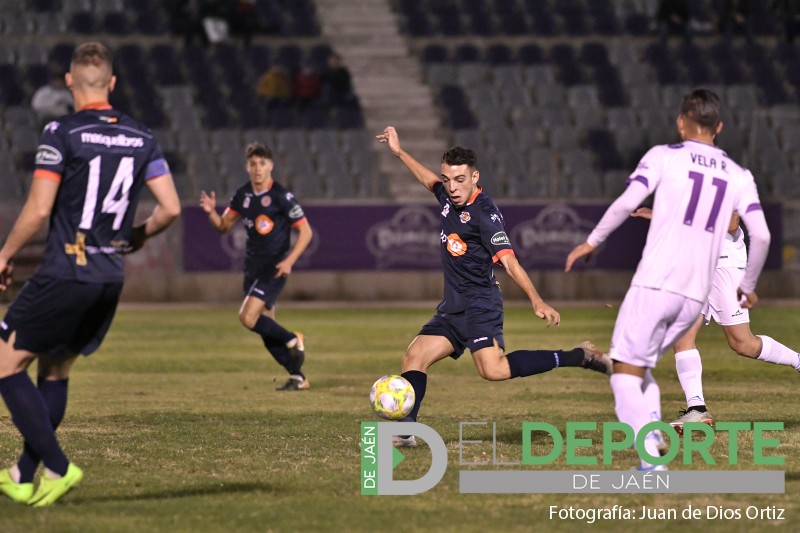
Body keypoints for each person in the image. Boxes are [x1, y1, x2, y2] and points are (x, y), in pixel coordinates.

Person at [0, 42, 181, 506]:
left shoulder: (61, 131)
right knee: (55, 370)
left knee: (3, 362)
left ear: (68, 82)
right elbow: (171, 209)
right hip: (109, 274)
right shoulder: (143, 136)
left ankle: (59, 467)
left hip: (65, 269)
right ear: (112, 84)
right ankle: (22, 473)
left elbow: (40, 208)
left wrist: (4, 255)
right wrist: (135, 238)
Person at [566, 88, 771, 471]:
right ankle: (682, 417)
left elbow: (627, 202)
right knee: (649, 360)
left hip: (659, 281)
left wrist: (592, 241)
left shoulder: (663, 156)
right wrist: (749, 284)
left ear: (681, 122)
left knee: (626, 371)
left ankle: (653, 453)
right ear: (719, 127)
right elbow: (761, 235)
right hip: (695, 290)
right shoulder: (738, 174)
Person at [377, 126, 612, 447]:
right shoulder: (447, 195)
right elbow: (427, 180)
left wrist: (537, 300)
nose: (452, 187)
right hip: (453, 306)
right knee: (413, 359)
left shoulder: (485, 216)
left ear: (475, 177)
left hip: (480, 304)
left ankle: (578, 356)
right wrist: (399, 153)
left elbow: (510, 261)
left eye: (460, 180)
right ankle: (406, 433)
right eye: (448, 179)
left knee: (493, 370)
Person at [630, 209, 797, 431]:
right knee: (682, 334)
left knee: (742, 343)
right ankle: (697, 409)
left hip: (724, 259)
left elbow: (731, 223)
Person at [199, 143, 312, 391]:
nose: (258, 168)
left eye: (262, 163)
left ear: (271, 166)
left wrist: (289, 261)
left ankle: (293, 338)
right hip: (252, 268)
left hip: (275, 267)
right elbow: (223, 226)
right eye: (253, 163)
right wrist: (210, 213)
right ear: (247, 167)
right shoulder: (242, 196)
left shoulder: (282, 196)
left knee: (247, 317)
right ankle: (298, 377)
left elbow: (306, 231)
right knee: (265, 329)